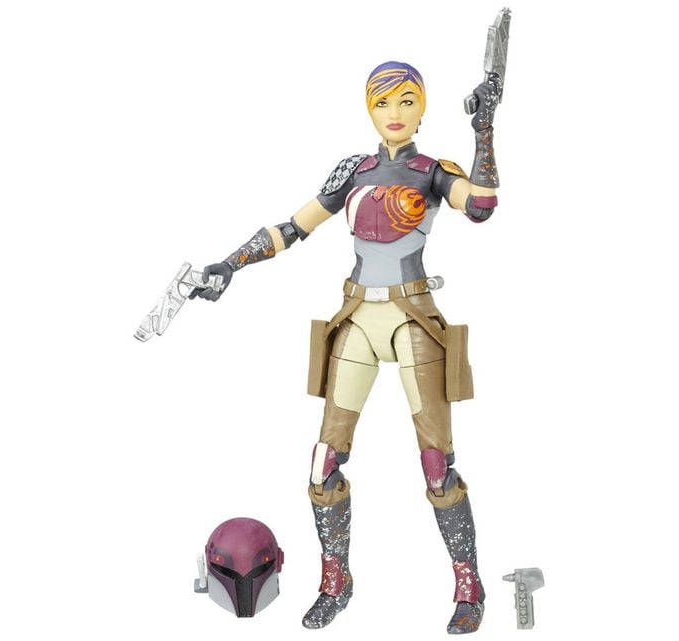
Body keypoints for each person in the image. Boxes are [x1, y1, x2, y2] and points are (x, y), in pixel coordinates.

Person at [192, 60, 501, 634]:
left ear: (422, 108)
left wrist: (484, 130)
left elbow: (480, 205)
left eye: (406, 101)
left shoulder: (433, 172)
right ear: (369, 109)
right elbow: (292, 228)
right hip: (357, 316)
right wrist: (230, 264)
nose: (394, 113)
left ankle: (469, 583)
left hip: (413, 318)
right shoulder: (353, 171)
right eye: (383, 102)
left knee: (437, 465)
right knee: (323, 461)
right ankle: (336, 581)